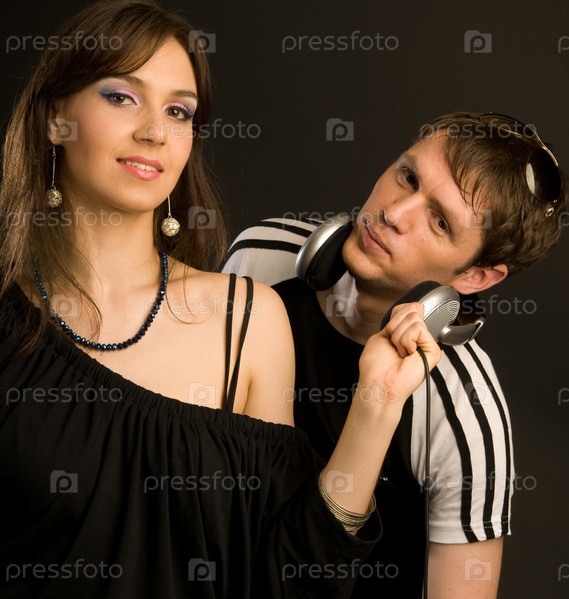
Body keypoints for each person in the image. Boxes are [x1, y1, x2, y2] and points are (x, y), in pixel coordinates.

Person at [0, 1, 447, 598]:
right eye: (121, 97)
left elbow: (290, 579)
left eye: (178, 111)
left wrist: (377, 405)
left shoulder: (248, 322)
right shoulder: (8, 311)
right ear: (56, 118)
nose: (155, 131)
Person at [223, 111, 569, 597]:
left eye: (440, 221)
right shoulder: (260, 258)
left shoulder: (467, 411)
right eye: (408, 177)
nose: (395, 213)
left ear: (476, 276)